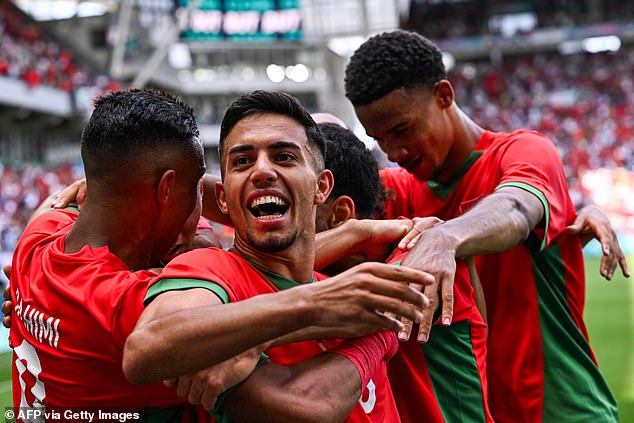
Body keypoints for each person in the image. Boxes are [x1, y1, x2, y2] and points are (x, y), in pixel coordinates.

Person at [8, 88, 427, 422]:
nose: (206, 204)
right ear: (167, 191)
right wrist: (359, 305)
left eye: (283, 157)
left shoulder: (43, 231)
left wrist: (362, 232)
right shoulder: (135, 303)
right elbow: (300, 403)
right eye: (198, 187)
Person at [343, 29, 627, 422]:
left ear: (444, 96)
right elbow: (326, 148)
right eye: (379, 139)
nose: (393, 151)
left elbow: (516, 206)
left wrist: (447, 235)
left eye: (402, 130)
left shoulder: (523, 151)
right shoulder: (400, 191)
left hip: (566, 411)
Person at [314, 121, 492, 423]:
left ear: (339, 214)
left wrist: (357, 232)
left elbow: (271, 282)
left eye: (296, 200)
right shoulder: (334, 267)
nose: (283, 216)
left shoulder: (421, 258)